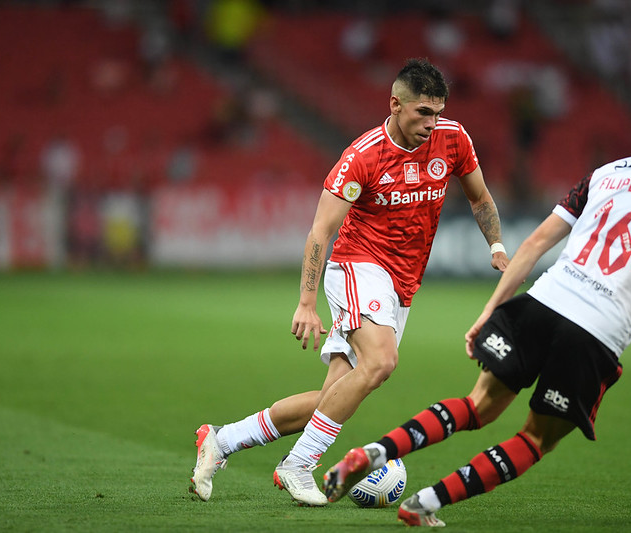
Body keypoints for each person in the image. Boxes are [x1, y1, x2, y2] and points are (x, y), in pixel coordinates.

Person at [322, 96, 631, 527]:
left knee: (476, 406)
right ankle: (425, 503)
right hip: (596, 330)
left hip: (542, 302)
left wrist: (491, 311)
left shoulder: (606, 173)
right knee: (534, 439)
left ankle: (374, 452)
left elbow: (532, 245)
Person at [190, 58, 510, 506]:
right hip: (358, 266)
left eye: (437, 112)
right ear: (395, 104)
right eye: (423, 112)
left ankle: (221, 441)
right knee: (380, 363)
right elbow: (321, 229)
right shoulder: (363, 156)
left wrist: (495, 244)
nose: (432, 123)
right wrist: (306, 302)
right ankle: (298, 465)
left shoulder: (453, 140)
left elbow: (480, 197)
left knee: (331, 396)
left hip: (401, 283)